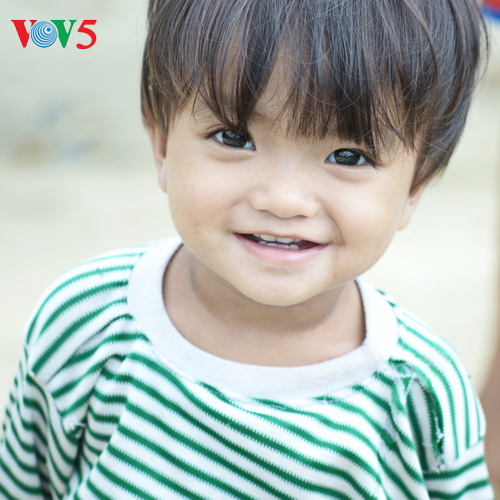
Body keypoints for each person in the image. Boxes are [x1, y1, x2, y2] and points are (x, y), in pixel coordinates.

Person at [0, 0, 493, 498]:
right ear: (162, 143)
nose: (283, 199)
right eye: (233, 137)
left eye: (348, 156)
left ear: (415, 187)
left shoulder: (422, 395)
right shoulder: (86, 323)